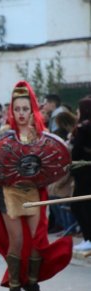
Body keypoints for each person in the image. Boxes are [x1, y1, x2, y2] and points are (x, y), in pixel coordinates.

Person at [0, 81, 72, 291]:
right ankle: (15, 285)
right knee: (17, 241)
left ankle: (32, 282)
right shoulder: (3, 134)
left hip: (33, 192)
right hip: (10, 193)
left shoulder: (40, 135)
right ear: (11, 111)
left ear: (31, 109)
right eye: (17, 109)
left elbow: (53, 161)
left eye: (25, 109)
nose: (21, 113)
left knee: (36, 241)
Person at [71, 97, 91, 252]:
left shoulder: (83, 129)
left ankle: (89, 238)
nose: (76, 113)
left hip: (85, 173)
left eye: (78, 110)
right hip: (85, 173)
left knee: (79, 205)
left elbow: (76, 152)